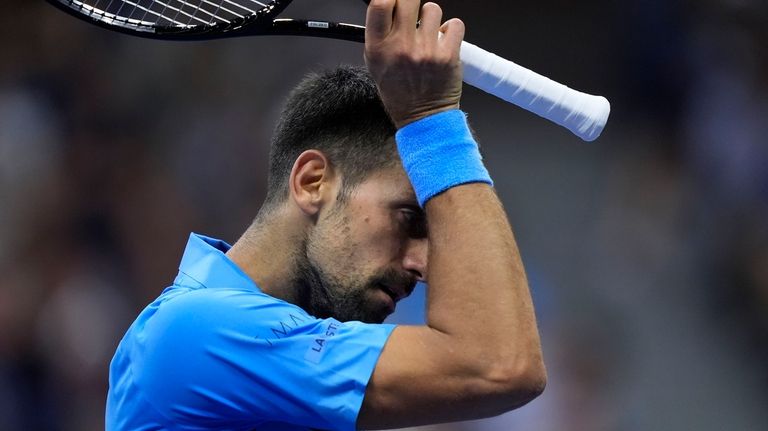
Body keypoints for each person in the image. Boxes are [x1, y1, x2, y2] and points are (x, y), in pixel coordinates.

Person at [106, 0, 546, 429]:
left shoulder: (277, 361)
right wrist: (430, 117)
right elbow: (499, 365)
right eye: (410, 219)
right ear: (313, 182)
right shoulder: (198, 332)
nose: (423, 266)